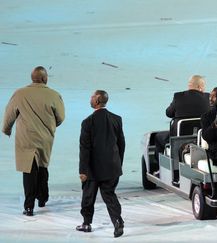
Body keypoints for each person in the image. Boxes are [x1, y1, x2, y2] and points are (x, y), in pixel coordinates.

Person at [2, 66, 65, 216]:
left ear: (32, 78)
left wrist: (6, 129)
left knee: (29, 170)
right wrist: (50, 125)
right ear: (45, 78)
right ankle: (42, 198)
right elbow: (61, 117)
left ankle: (29, 206)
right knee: (43, 166)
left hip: (26, 138)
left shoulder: (20, 93)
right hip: (45, 137)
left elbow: (9, 113)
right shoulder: (54, 95)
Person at [76, 90, 125, 238]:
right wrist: (118, 163)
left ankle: (86, 223)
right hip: (112, 166)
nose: (90, 98)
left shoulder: (87, 122)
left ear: (97, 100)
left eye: (92, 96)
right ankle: (117, 221)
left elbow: (85, 148)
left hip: (92, 169)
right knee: (109, 195)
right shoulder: (116, 119)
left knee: (88, 196)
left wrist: (83, 170)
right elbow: (121, 144)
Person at [154, 75, 210, 162]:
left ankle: (159, 168)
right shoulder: (207, 98)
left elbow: (168, 113)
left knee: (158, 137)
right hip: (201, 136)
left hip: (178, 137)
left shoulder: (178, 96)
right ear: (200, 86)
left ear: (189, 85)